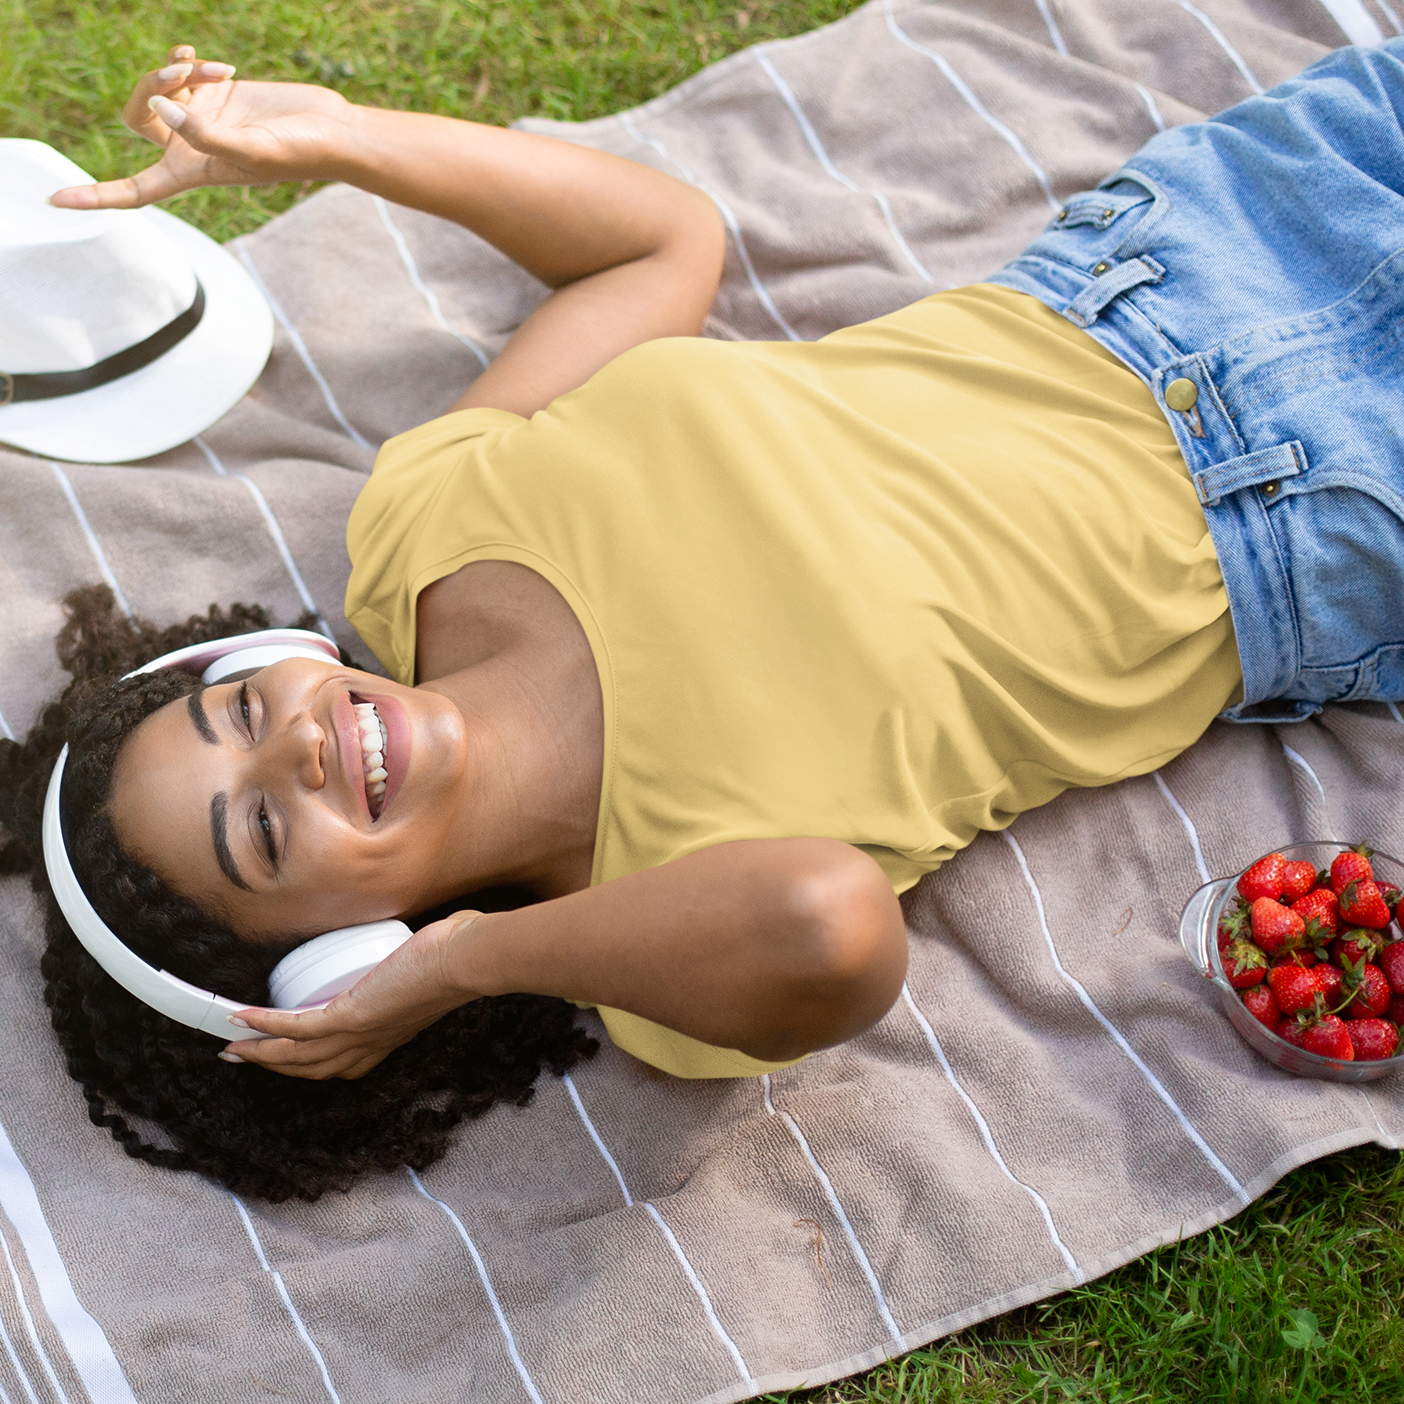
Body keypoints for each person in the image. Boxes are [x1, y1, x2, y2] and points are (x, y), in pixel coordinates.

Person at [3, 38, 1401, 1201]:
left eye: (238, 710)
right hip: (1327, 523)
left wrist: (343, 136)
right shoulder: (658, 949)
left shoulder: (416, 532)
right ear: (328, 965)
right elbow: (833, 925)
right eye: (260, 830)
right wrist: (467, 968)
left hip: (1197, 244)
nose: (293, 749)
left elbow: (658, 245)